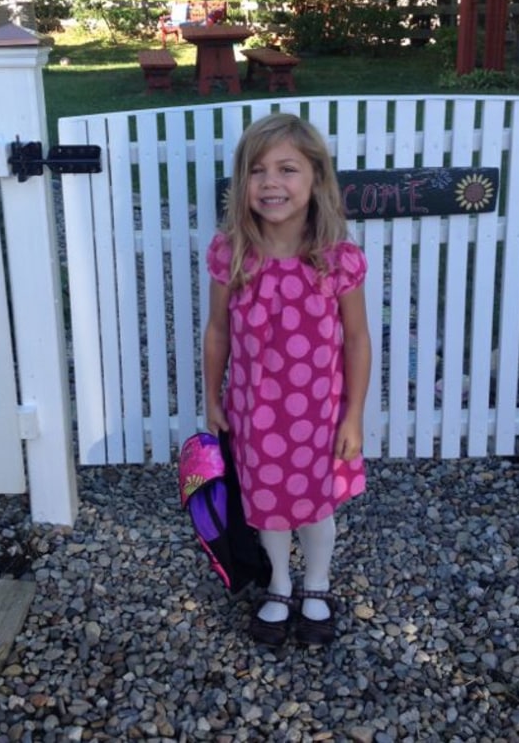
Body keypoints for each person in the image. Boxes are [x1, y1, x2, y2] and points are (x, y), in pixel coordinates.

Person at [203, 112, 371, 647]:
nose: (271, 183)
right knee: (266, 504)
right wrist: (211, 399)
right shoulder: (232, 256)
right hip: (256, 414)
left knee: (315, 506)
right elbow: (216, 333)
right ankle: (279, 582)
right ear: (242, 184)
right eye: (257, 171)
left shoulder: (336, 260)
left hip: (318, 417)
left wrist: (353, 416)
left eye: (287, 169)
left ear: (317, 179)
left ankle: (316, 584)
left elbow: (359, 339)